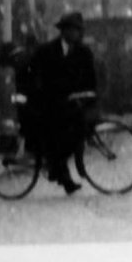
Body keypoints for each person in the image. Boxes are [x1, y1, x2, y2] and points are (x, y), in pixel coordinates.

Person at [24, 11, 99, 194]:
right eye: (72, 30)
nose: (76, 34)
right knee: (55, 136)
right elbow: (31, 73)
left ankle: (57, 170)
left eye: (78, 30)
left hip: (72, 104)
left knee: (76, 135)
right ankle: (61, 175)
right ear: (64, 31)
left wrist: (90, 95)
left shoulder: (84, 52)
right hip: (49, 103)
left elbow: (91, 78)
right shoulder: (46, 51)